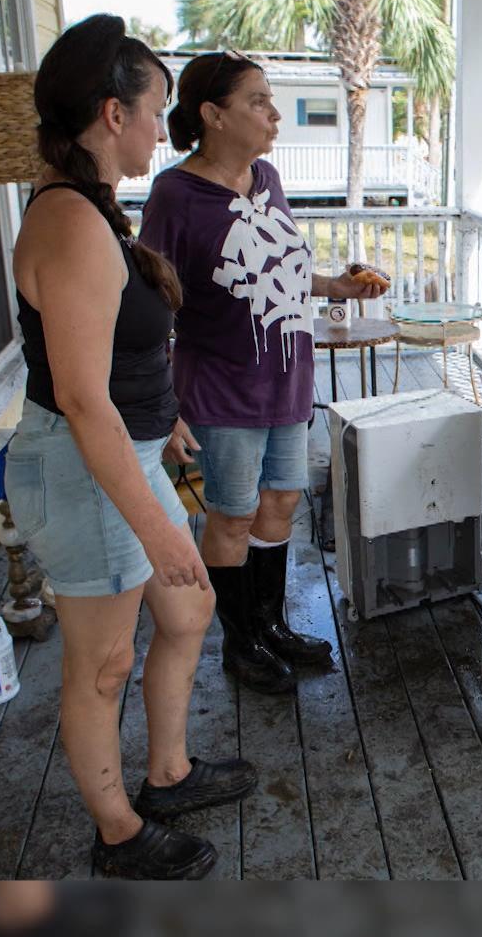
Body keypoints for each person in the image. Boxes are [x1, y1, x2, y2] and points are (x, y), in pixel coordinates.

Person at [0, 15, 249, 880]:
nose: (159, 130)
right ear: (113, 113)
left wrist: (167, 420)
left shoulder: (95, 212)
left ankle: (169, 773)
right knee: (103, 664)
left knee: (187, 611)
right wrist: (151, 522)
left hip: (123, 454)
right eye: (154, 112)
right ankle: (118, 832)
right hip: (83, 471)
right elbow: (77, 396)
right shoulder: (70, 224)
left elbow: (117, 358)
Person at [141, 51, 385, 695]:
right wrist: (162, 401)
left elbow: (283, 270)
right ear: (212, 115)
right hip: (221, 386)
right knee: (232, 515)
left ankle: (270, 625)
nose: (274, 114)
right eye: (257, 101)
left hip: (287, 378)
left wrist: (337, 282)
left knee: (280, 504)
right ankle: (239, 643)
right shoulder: (175, 195)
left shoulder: (267, 178)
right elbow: (150, 302)